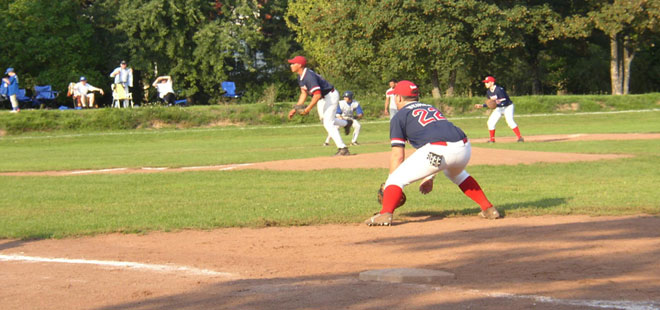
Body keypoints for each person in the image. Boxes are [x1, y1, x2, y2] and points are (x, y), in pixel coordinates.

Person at [365, 80, 500, 226]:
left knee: (395, 179)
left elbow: (398, 156)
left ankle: (385, 214)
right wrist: (429, 176)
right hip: (464, 147)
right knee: (456, 174)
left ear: (398, 98)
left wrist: (389, 186)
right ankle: (489, 208)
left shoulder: (399, 116)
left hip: (438, 150)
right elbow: (440, 144)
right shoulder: (431, 108)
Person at [287, 56, 352, 156]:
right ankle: (346, 123)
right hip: (323, 98)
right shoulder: (300, 76)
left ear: (299, 65)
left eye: (293, 63)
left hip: (330, 96)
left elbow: (316, 95)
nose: (291, 65)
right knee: (325, 120)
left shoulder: (308, 76)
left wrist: (308, 109)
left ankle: (343, 148)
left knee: (328, 123)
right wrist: (295, 109)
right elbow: (303, 93)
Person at [474, 76, 524, 143]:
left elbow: (505, 101)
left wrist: (496, 105)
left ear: (492, 82)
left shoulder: (499, 90)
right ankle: (492, 139)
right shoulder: (488, 92)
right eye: (485, 82)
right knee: (490, 122)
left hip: (508, 107)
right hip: (499, 108)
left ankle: (520, 137)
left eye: (487, 82)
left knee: (510, 121)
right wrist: (482, 105)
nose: (486, 84)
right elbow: (491, 103)